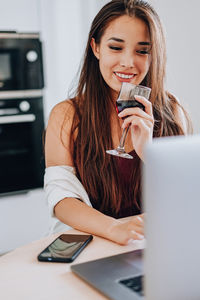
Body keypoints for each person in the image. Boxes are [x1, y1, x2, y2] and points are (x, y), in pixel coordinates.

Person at [44, 0, 192, 245]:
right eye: (116, 47)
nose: (128, 62)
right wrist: (114, 228)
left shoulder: (172, 112)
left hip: (155, 247)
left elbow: (187, 199)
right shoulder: (66, 115)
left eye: (142, 50)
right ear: (96, 47)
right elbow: (61, 199)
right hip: (92, 246)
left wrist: (149, 153)